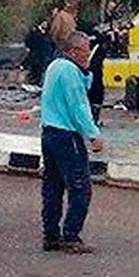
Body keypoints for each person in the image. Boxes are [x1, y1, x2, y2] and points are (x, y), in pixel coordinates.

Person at [39, 30, 104, 254]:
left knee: (53, 187)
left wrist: (85, 71)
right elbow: (78, 107)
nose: (88, 55)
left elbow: (82, 87)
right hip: (67, 135)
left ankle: (51, 235)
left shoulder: (55, 66)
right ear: (74, 51)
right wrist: (93, 135)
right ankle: (71, 235)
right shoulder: (69, 72)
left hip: (49, 133)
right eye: (85, 52)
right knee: (80, 188)